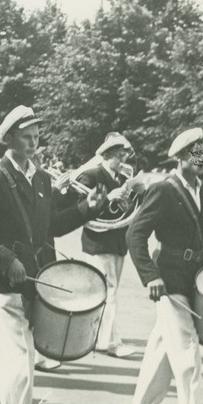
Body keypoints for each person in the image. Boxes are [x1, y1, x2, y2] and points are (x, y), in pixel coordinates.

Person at [0, 105, 106, 404]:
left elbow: (50, 226)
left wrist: (86, 209)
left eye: (37, 136)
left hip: (35, 282)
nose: (33, 143)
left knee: (3, 371)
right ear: (10, 139)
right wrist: (6, 258)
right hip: (2, 286)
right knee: (20, 372)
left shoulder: (41, 178)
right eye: (26, 137)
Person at [126, 128, 203, 404]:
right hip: (169, 278)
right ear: (180, 157)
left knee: (164, 346)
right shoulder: (164, 190)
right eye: (196, 153)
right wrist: (150, 276)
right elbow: (135, 233)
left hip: (195, 279)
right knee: (188, 348)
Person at [76, 132, 144, 358]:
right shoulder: (92, 175)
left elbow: (124, 210)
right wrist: (108, 198)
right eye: (118, 155)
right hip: (98, 241)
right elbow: (81, 208)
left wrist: (131, 196)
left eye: (123, 154)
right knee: (107, 291)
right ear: (106, 155)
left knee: (107, 291)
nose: (122, 159)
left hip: (116, 241)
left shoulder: (121, 178)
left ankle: (98, 338)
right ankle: (110, 343)